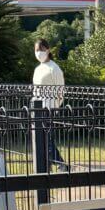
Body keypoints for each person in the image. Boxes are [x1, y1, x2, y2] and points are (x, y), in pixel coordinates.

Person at [32, 39, 67, 170]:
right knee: (40, 139)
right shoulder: (38, 69)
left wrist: (55, 107)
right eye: (36, 50)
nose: (39, 53)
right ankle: (48, 164)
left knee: (47, 139)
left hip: (49, 108)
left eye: (41, 49)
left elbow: (60, 90)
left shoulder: (54, 68)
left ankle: (60, 163)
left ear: (48, 50)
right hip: (37, 107)